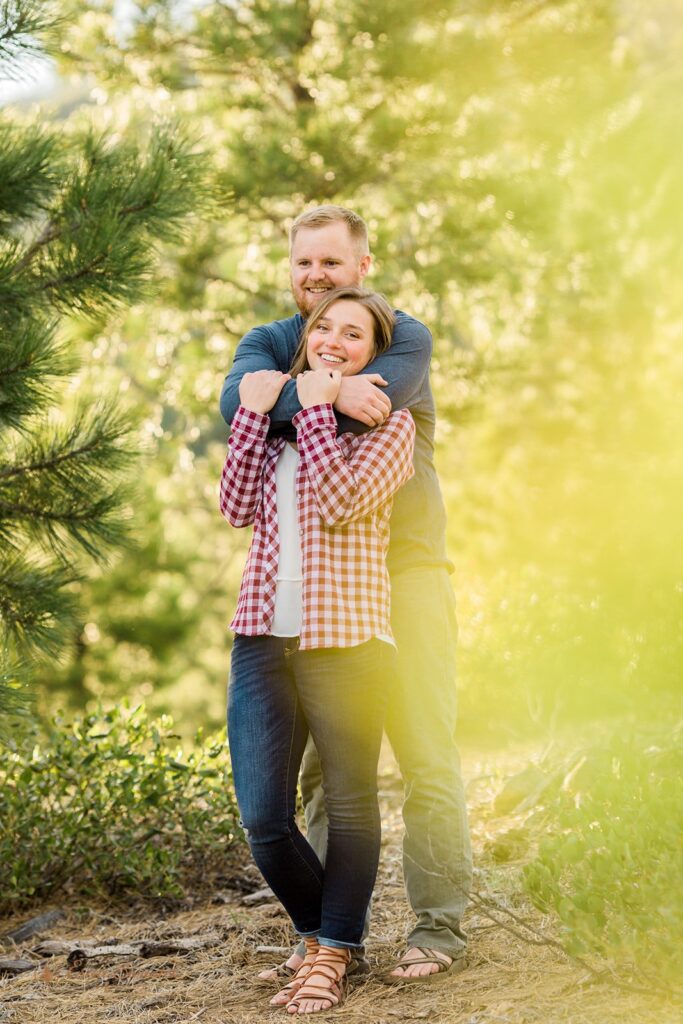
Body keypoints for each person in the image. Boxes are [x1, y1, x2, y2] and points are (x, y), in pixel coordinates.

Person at [220, 205, 472, 983]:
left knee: (425, 746)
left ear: (362, 265)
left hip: (407, 570)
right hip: (317, 594)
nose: (316, 277)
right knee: (324, 774)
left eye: (331, 263)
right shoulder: (267, 341)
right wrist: (315, 393)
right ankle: (332, 939)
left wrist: (288, 397)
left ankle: (439, 928)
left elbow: (375, 400)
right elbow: (236, 407)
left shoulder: (404, 335)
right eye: (304, 263)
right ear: (289, 268)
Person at [220, 287, 416, 1014]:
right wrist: (254, 410)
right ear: (305, 340)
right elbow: (235, 505)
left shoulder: (389, 429)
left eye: (353, 335)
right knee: (265, 820)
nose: (334, 340)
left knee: (351, 804)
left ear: (374, 355)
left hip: (351, 640)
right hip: (262, 633)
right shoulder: (274, 424)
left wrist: (313, 405)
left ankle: (330, 955)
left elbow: (338, 500)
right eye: (322, 329)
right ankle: (322, 936)